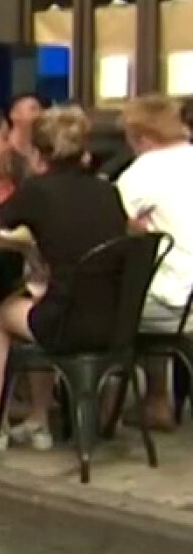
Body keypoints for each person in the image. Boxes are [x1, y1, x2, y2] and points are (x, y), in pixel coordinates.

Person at [0, 105, 128, 451]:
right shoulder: (108, 191)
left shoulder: (36, 191)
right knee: (41, 296)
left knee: (4, 315)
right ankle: (37, 421)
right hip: (116, 325)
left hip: (67, 324)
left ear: (36, 152)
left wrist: (5, 240)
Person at [115, 94, 193, 430]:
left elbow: (106, 222)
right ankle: (157, 399)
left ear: (143, 138)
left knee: (123, 295)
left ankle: (104, 409)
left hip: (177, 304)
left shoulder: (142, 172)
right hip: (188, 296)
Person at [7, 92, 44, 183]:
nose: (39, 114)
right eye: (33, 109)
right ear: (14, 114)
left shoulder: (43, 150)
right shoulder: (5, 149)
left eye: (41, 109)